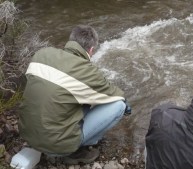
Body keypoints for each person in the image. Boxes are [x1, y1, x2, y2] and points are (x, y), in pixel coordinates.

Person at [18, 25, 131, 164]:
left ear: (71, 40)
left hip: (27, 134)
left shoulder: (42, 54)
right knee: (118, 105)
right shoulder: (85, 69)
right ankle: (79, 148)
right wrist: (125, 102)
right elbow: (115, 94)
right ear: (91, 50)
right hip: (58, 146)